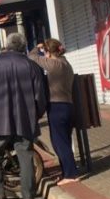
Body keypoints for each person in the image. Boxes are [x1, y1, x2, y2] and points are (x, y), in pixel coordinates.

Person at [0, 33, 48, 199]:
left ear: (7, 45)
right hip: (25, 120)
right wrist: (37, 114)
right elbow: (41, 96)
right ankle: (29, 195)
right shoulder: (32, 66)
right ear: (23, 47)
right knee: (25, 155)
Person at [31, 39, 80, 185]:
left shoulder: (53, 64)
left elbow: (32, 56)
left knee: (59, 143)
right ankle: (67, 172)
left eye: (45, 52)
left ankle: (71, 174)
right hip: (68, 106)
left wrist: (37, 47)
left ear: (48, 52)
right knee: (64, 141)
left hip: (57, 107)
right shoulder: (66, 63)